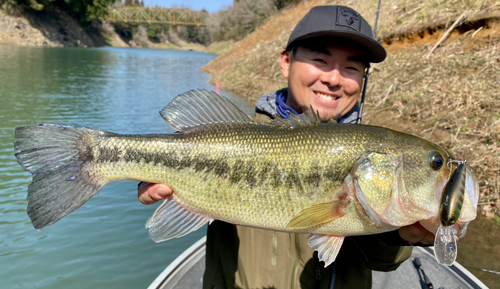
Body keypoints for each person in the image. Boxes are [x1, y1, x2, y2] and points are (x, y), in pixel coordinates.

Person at [138, 5, 435, 289]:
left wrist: (397, 237)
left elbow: (378, 260)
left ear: (362, 79)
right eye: (320, 60)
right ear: (286, 62)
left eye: (352, 67)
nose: (333, 78)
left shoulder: (383, 156)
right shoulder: (233, 133)